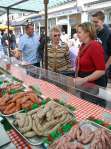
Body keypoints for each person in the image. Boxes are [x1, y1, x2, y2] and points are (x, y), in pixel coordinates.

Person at [75, 22, 106, 87]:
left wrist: (84, 80)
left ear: (87, 33)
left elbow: (101, 71)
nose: (77, 35)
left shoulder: (95, 46)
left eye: (79, 32)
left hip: (94, 86)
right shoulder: (83, 45)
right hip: (85, 85)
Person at [92, 11, 111, 84]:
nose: (94, 24)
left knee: (100, 93)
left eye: (96, 22)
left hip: (101, 72)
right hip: (93, 69)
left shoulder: (108, 33)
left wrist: (104, 68)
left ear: (102, 21)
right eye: (93, 22)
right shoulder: (95, 33)